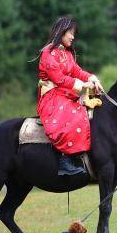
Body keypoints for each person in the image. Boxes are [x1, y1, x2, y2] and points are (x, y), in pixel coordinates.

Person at [36, 15, 103, 176]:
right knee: (73, 112)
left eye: (74, 33)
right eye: (70, 33)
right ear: (62, 32)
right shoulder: (48, 53)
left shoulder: (66, 53)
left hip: (64, 91)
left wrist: (91, 78)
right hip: (52, 96)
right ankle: (65, 159)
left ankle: (80, 154)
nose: (73, 37)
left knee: (92, 102)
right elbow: (58, 79)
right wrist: (82, 85)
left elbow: (76, 71)